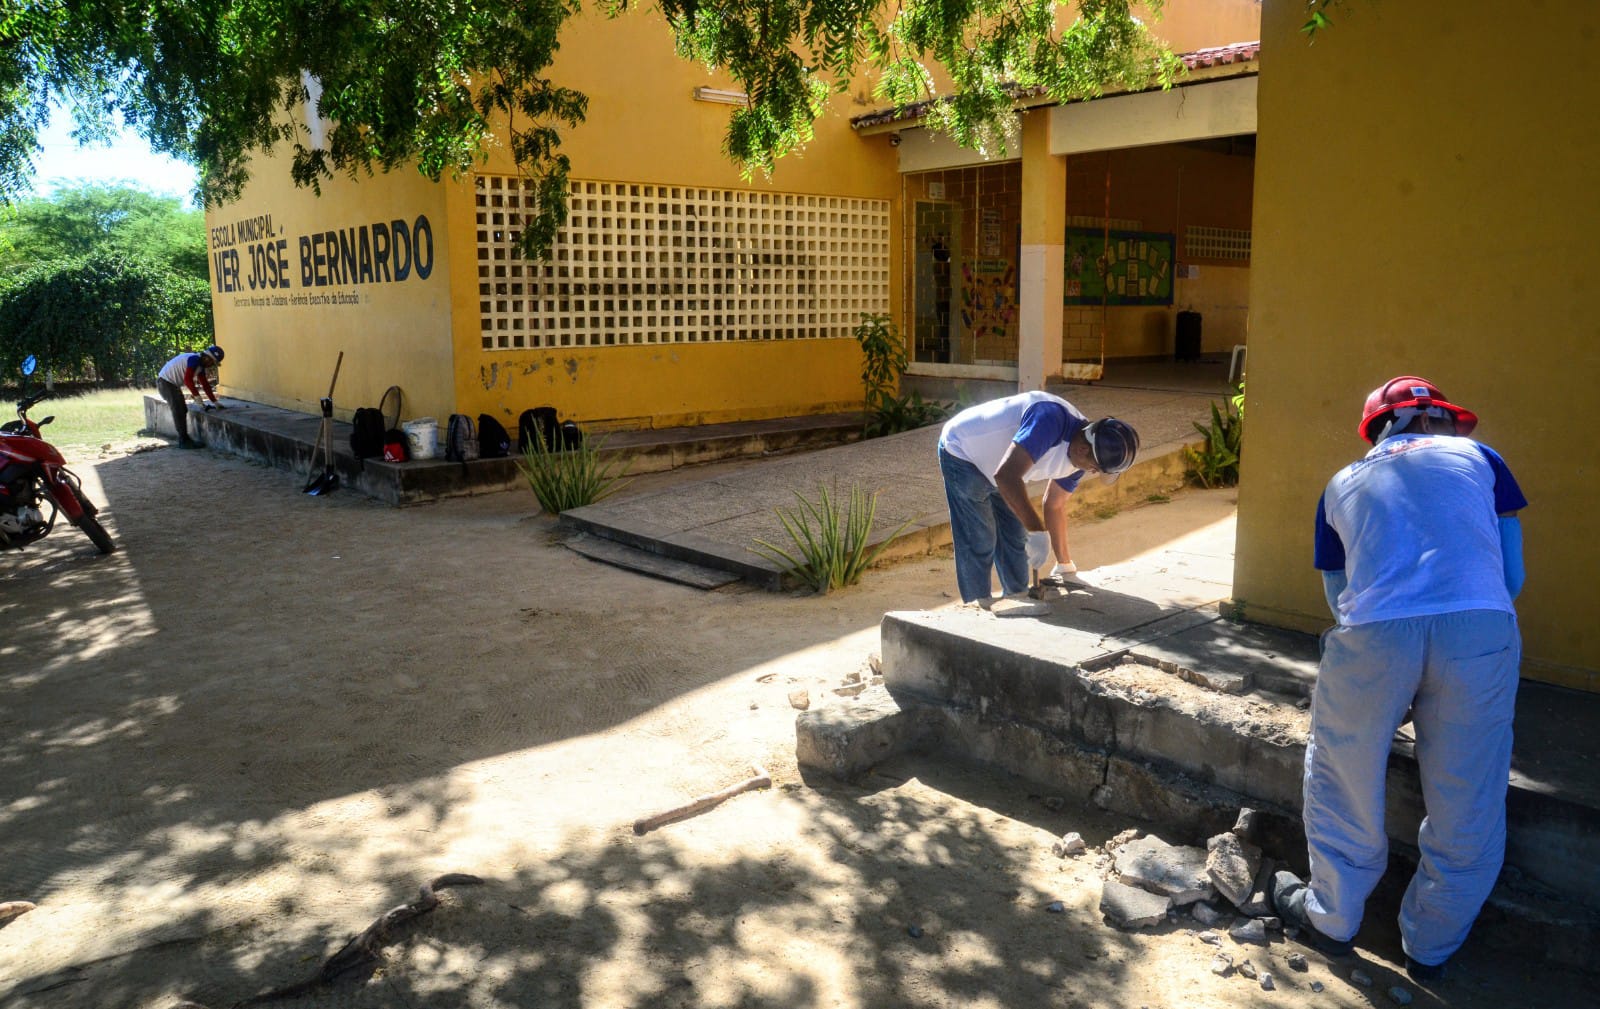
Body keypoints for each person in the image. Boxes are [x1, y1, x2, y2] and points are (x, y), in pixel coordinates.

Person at [1272, 376, 1527, 983]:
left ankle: (1332, 917)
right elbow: (1509, 576)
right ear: (1440, 418)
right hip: (1479, 627)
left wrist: (1398, 668)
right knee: (1470, 793)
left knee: (1342, 770)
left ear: (1377, 430)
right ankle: (1430, 945)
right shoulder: (1481, 458)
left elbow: (1340, 599)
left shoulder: (1339, 484)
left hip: (1373, 637)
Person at [937, 390, 1139, 603]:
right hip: (963, 451)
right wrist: (1036, 529)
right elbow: (1006, 477)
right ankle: (978, 606)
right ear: (1081, 449)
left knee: (1015, 535)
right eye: (1096, 468)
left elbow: (1055, 505)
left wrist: (1065, 565)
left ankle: (1018, 597)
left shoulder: (1083, 457)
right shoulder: (1049, 421)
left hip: (1004, 466)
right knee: (979, 537)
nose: (1094, 472)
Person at [156, 346, 226, 449]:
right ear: (207, 357)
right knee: (179, 409)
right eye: (212, 362)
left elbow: (205, 384)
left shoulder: (200, 365)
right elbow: (187, 380)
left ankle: (184, 439)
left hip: (169, 383)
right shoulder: (194, 359)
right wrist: (197, 398)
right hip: (165, 383)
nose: (211, 365)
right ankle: (183, 441)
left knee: (182, 409)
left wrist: (215, 401)